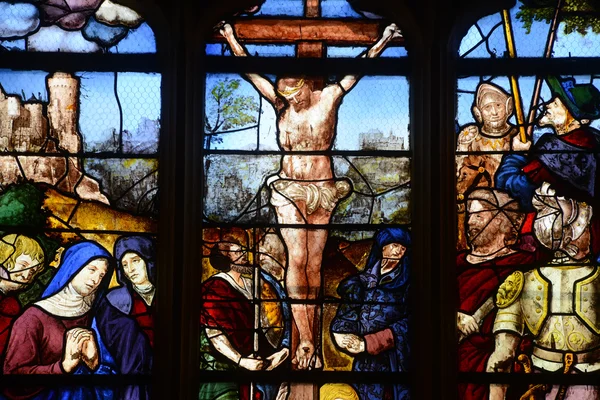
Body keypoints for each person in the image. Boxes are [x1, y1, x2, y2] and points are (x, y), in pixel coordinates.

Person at [219, 20, 402, 370]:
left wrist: (384, 40)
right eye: (284, 97)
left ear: (307, 85)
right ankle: (303, 342)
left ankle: (311, 339)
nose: (289, 102)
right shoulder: (281, 105)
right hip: (288, 189)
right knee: (296, 259)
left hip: (322, 191)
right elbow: (250, 73)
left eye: (294, 95)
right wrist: (230, 38)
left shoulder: (328, 98)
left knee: (314, 266)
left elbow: (359, 68)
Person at [486, 183, 598, 399]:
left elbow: (500, 359)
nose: (592, 234)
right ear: (570, 241)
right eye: (586, 228)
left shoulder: (522, 282)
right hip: (590, 385)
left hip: (539, 387)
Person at [3, 240, 152, 400]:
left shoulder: (102, 316)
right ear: (72, 266)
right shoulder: (32, 318)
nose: (96, 280)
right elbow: (13, 378)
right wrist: (62, 367)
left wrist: (95, 364)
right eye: (92, 270)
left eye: (101, 275)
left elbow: (119, 373)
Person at [456, 189, 548, 400]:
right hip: (453, 365)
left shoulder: (528, 263)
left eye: (479, 215)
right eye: (469, 215)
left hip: (507, 368)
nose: (470, 222)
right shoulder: (454, 264)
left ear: (501, 220)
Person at [199, 233, 290, 400]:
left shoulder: (254, 283)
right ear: (224, 259)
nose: (244, 256)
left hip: (267, 361)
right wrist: (241, 361)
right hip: (234, 366)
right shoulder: (213, 289)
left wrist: (282, 352)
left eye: (242, 251)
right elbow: (214, 334)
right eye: (237, 252)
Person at [330, 227, 411, 400]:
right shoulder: (361, 282)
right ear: (382, 247)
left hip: (395, 364)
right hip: (365, 365)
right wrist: (343, 336)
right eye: (395, 245)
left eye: (403, 248)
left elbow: (411, 324)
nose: (399, 251)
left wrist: (371, 342)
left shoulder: (409, 286)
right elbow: (346, 316)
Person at [0, 234, 45, 360]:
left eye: (32, 272)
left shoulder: (13, 306)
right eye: (23, 265)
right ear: (4, 257)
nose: (26, 276)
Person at [108, 235, 156, 348]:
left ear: (148, 261)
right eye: (125, 265)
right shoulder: (114, 299)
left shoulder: (169, 293)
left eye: (135, 261)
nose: (130, 269)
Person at [457, 82, 530, 154]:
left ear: (508, 107)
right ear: (478, 113)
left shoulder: (518, 135)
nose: (494, 113)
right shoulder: (470, 137)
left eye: (498, 105)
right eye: (487, 107)